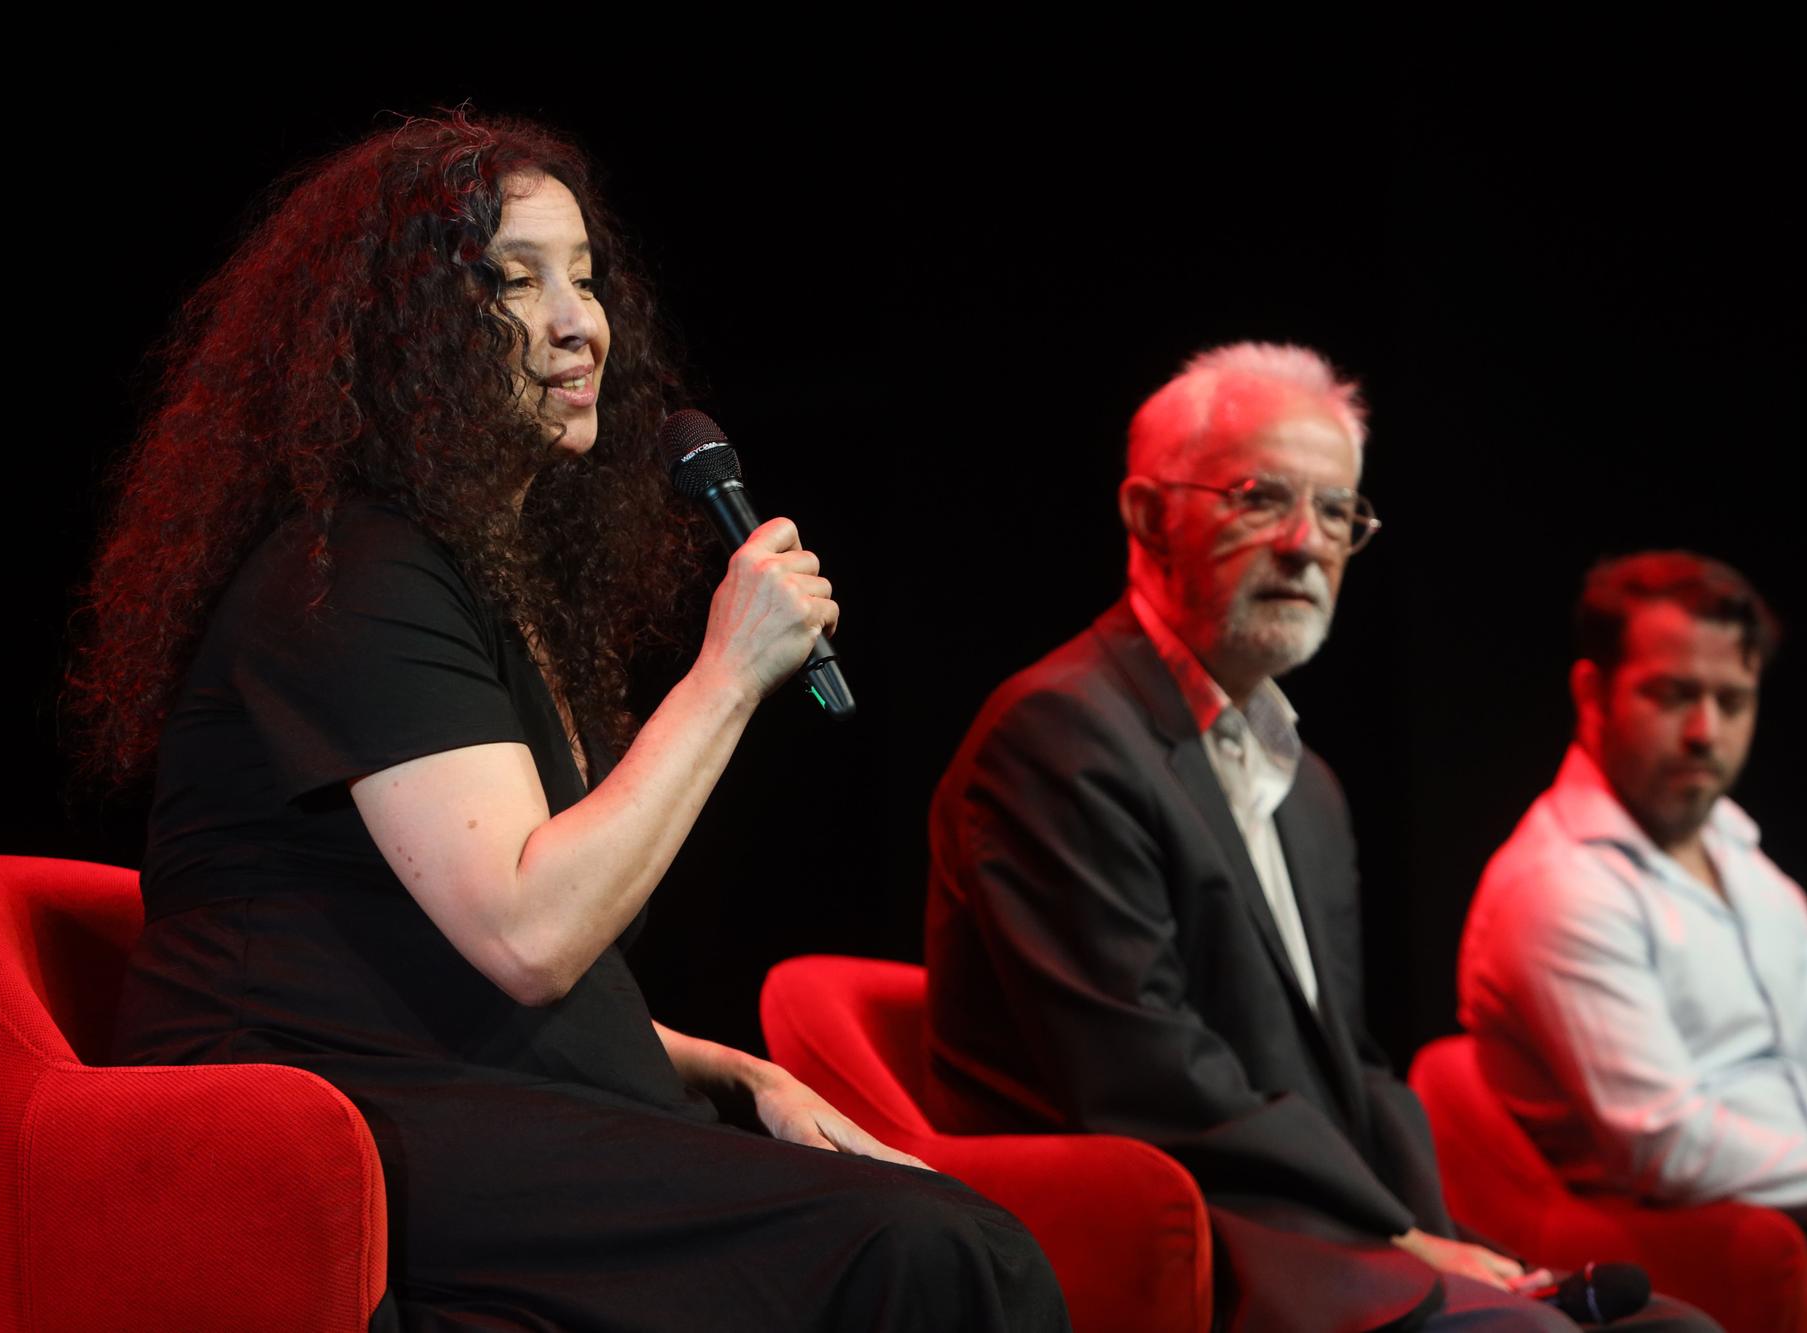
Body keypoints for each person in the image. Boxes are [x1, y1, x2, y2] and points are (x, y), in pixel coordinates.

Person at [68, 111, 1067, 1332]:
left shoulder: (475, 574)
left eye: (584, 279)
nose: (575, 322)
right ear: (404, 336)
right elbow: (529, 935)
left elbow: (476, 973)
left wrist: (736, 1072)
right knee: (936, 1254)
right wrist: (728, 671)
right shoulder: (350, 575)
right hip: (321, 1124)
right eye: (512, 282)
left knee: (933, 1231)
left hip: (454, 1088)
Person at [925, 343, 1715, 1330]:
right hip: (1207, 1240)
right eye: (1261, 499)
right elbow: (1144, 1073)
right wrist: (1398, 1239)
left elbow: (1348, 1065)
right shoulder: (1057, 734)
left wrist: (1441, 1235)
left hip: (1339, 1233)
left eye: (1337, 510)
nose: (1306, 543)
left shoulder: (1312, 788)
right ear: (1146, 516)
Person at [1458, 551, 1807, 1331]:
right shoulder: (1558, 884)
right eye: (1673, 695)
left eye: (1733, 701)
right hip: (1739, 1233)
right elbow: (1671, 1145)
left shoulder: (1747, 859)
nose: (1706, 732)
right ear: (1592, 692)